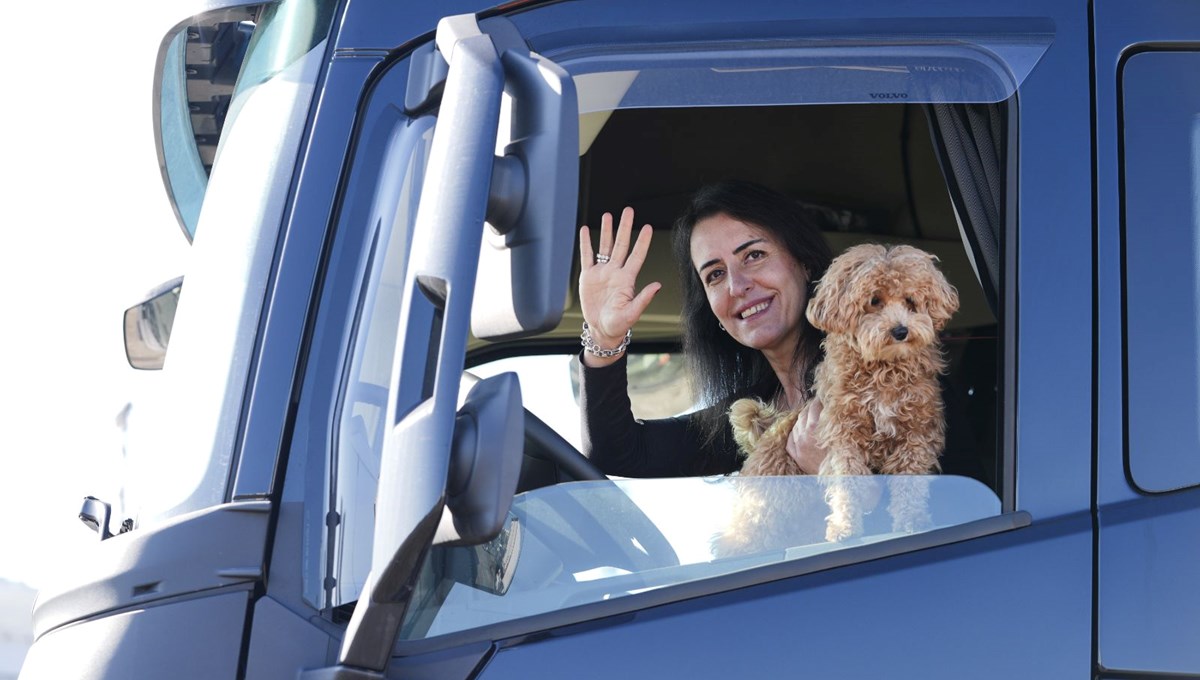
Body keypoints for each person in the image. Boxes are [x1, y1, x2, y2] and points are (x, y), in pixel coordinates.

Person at [576, 180, 834, 478]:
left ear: (804, 263)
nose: (737, 286)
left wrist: (837, 479)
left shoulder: (872, 381)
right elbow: (619, 455)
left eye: (754, 255)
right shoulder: (748, 418)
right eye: (715, 274)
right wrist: (604, 339)